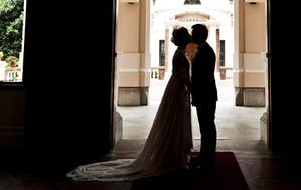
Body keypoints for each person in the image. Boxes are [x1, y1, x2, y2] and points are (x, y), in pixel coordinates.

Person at [67, 27, 193, 181]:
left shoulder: (179, 53)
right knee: (174, 121)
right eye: (187, 35)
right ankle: (174, 156)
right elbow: (185, 76)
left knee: (173, 121)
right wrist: (193, 90)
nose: (190, 37)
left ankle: (173, 155)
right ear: (183, 38)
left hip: (175, 88)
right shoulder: (181, 54)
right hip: (178, 89)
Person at [189, 23, 218, 170]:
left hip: (206, 95)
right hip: (203, 95)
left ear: (201, 35)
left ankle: (209, 158)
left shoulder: (207, 52)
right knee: (204, 126)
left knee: (207, 126)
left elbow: (204, 78)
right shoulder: (202, 50)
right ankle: (204, 155)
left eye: (193, 33)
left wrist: (197, 95)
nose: (191, 35)